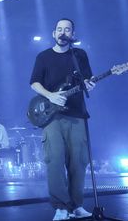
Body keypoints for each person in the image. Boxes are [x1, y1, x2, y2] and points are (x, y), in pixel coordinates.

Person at [29, 18, 95, 220]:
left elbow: (87, 79)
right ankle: (60, 207)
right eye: (59, 29)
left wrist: (90, 84)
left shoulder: (79, 55)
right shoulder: (44, 56)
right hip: (52, 117)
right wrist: (50, 95)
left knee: (79, 161)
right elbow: (34, 83)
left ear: (72, 34)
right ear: (53, 33)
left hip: (76, 114)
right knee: (55, 160)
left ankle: (76, 206)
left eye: (67, 30)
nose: (63, 32)